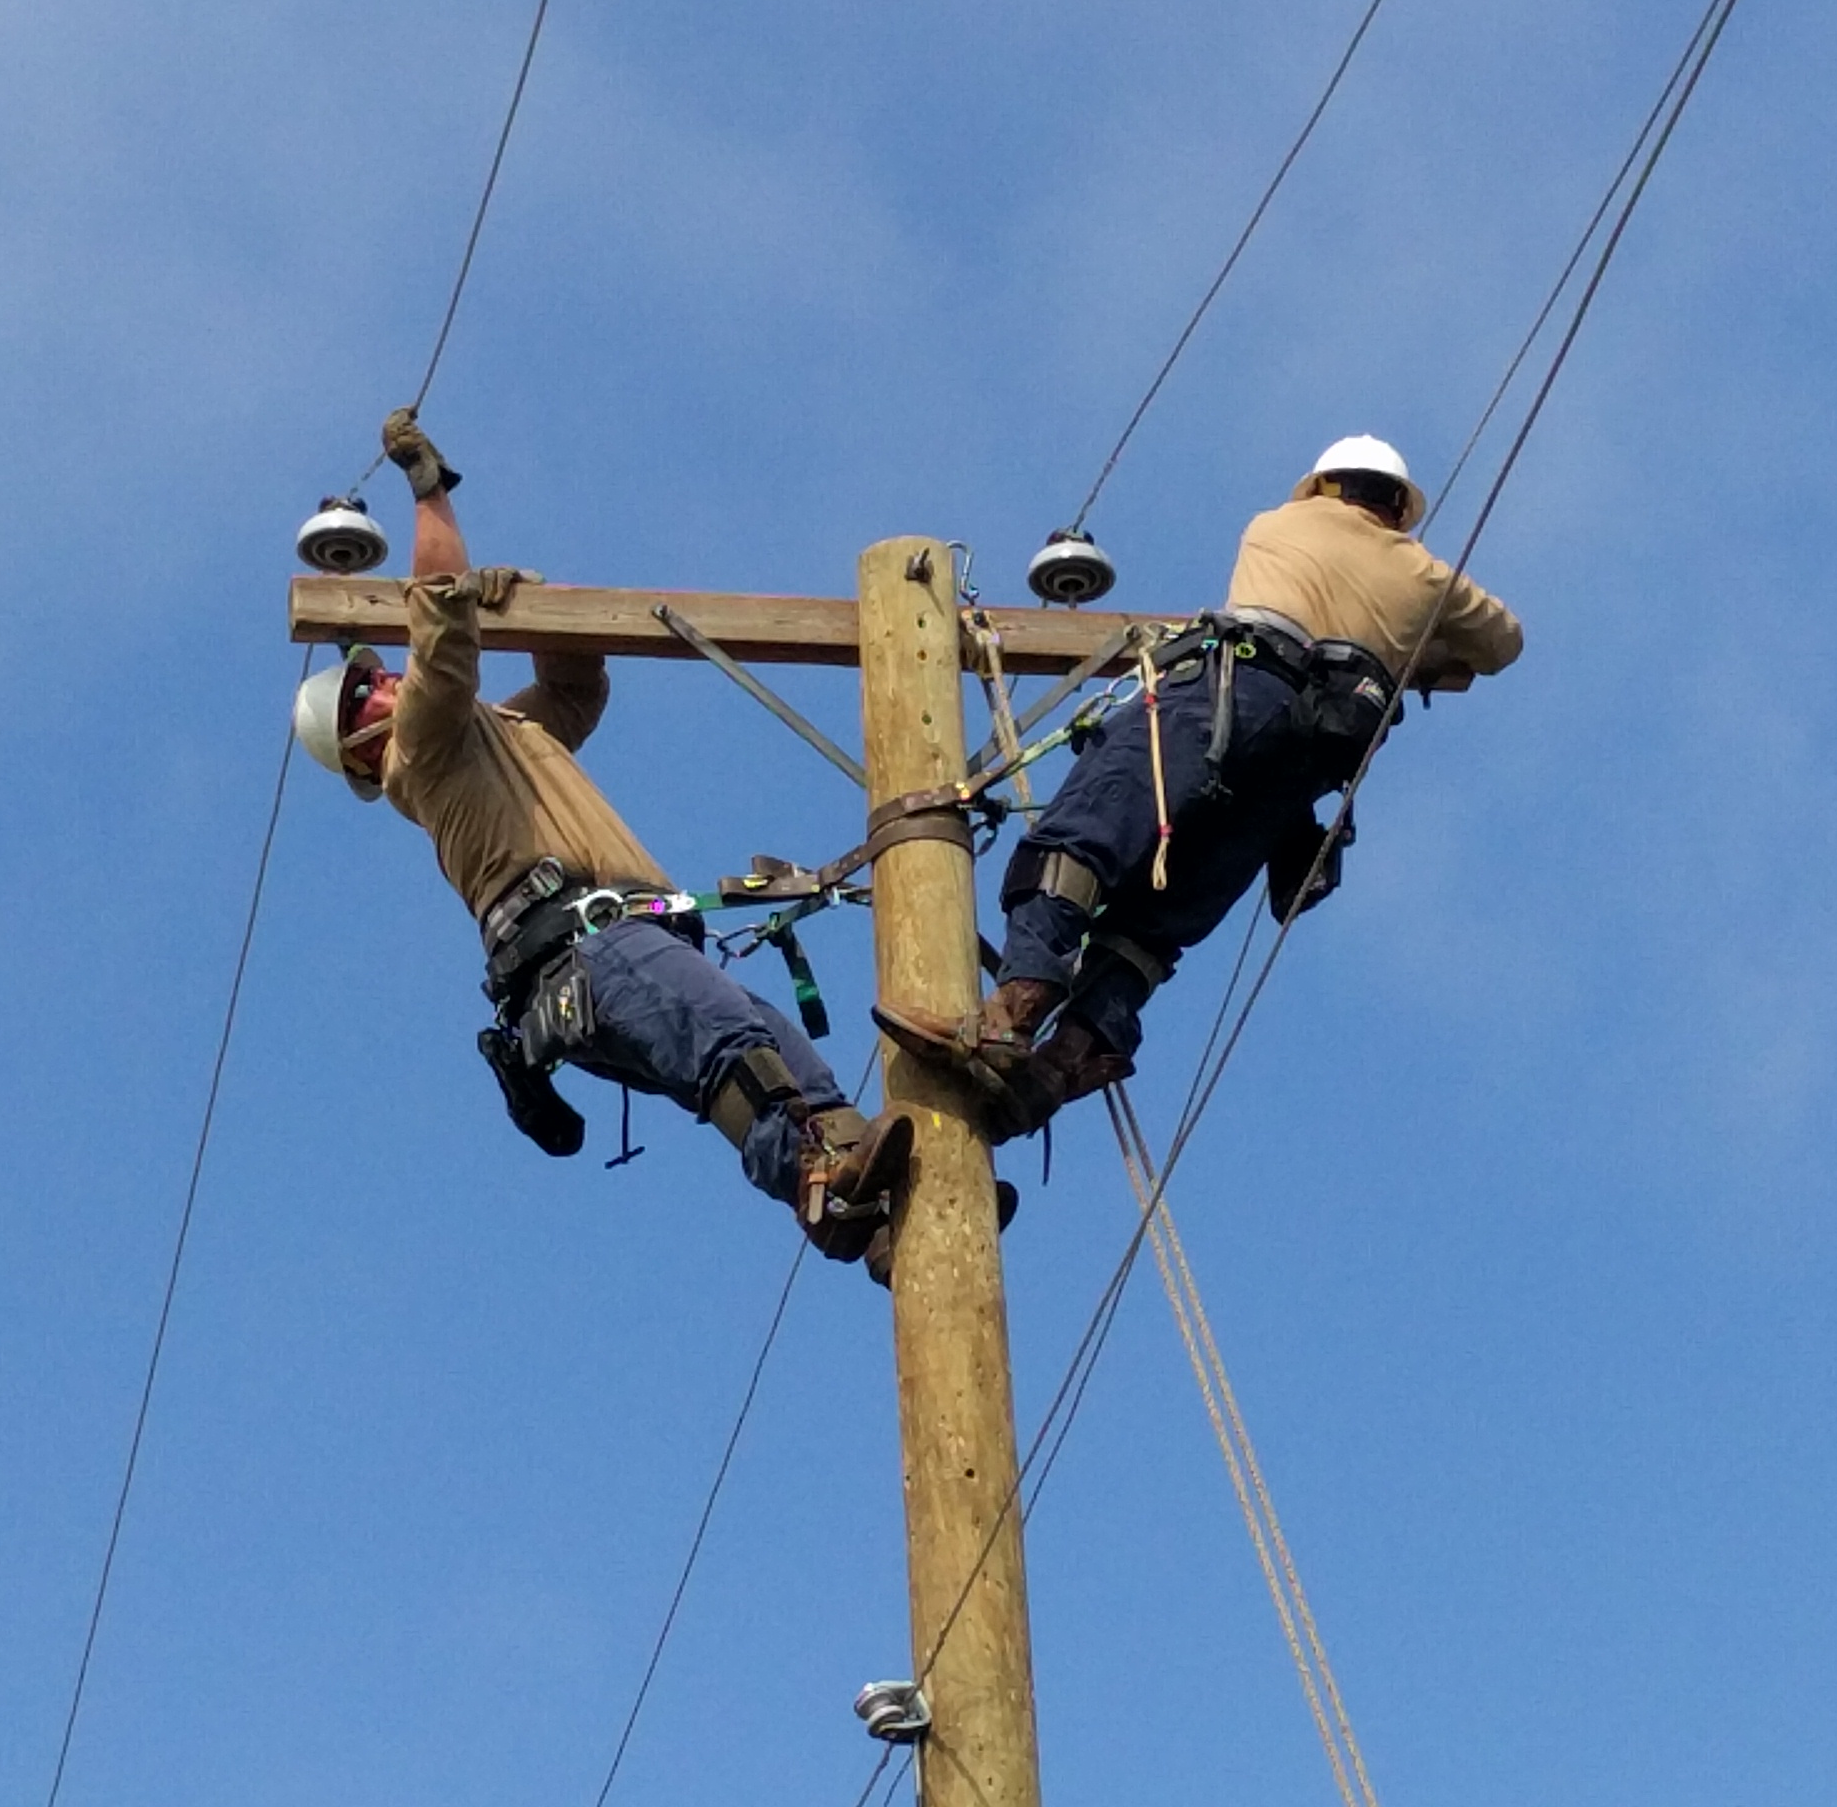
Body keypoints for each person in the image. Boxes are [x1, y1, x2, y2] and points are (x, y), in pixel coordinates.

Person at [298, 411, 905, 1262]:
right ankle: (817, 1181)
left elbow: (574, 692)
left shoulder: (495, 735)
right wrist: (428, 490)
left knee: (783, 1053)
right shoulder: (419, 756)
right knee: (730, 1040)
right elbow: (439, 621)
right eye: (363, 695)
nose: (383, 682)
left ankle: (890, 1224)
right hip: (587, 949)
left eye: (374, 675)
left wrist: (534, 614)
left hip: (619, 951)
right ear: (362, 755)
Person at [878, 432, 1524, 1136]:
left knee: (1079, 841)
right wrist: (1418, 640)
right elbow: (1503, 642)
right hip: (1304, 768)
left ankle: (1011, 1016)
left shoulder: (1277, 525)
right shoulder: (1424, 577)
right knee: (1155, 924)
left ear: (1323, 486)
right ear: (1398, 506)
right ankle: (1057, 1070)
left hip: (1229, 698)